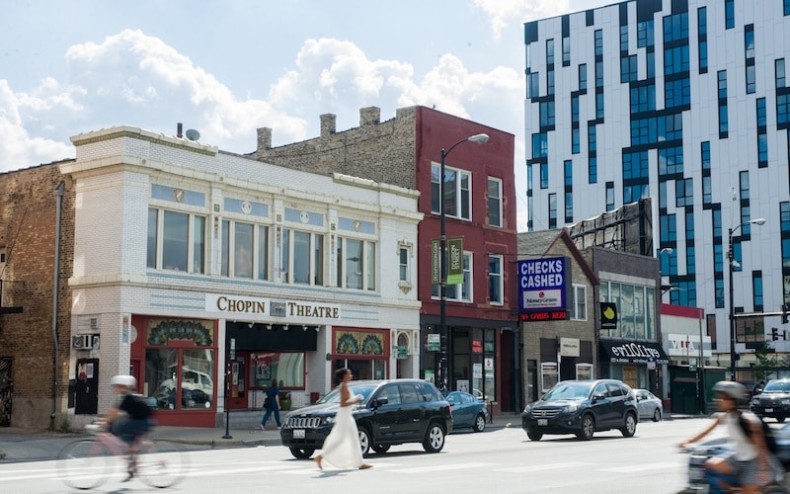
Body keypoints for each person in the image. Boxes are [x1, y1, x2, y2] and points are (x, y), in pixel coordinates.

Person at [679, 380, 780, 494]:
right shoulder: (724, 417)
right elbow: (705, 432)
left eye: (723, 398)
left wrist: (763, 469)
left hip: (755, 462)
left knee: (748, 491)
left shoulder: (748, 420)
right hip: (738, 458)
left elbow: (761, 447)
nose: (718, 400)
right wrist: (688, 441)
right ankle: (731, 489)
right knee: (709, 465)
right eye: (718, 397)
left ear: (733, 400)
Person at [313, 368, 372, 471]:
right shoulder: (343, 387)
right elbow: (343, 404)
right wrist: (355, 400)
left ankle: (360, 463)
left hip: (347, 415)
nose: (351, 375)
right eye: (349, 374)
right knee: (340, 439)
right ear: (344, 376)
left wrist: (354, 400)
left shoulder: (345, 386)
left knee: (353, 438)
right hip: (345, 416)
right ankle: (321, 456)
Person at [105, 374, 153, 481]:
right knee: (122, 428)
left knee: (120, 428)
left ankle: (132, 452)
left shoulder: (128, 397)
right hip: (140, 420)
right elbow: (113, 412)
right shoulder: (125, 397)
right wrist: (105, 421)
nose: (115, 388)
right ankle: (132, 466)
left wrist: (104, 423)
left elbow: (115, 413)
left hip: (143, 422)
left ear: (123, 387)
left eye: (117, 386)